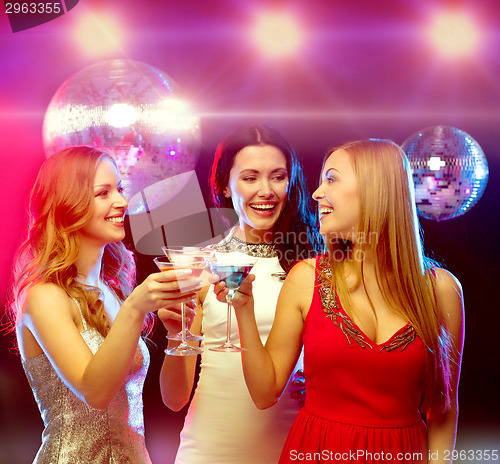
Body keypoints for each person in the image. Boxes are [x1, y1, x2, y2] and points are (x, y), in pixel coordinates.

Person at [215, 139, 465, 463]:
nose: (317, 193)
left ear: (376, 190)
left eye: (331, 179)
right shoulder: (306, 278)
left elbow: (443, 409)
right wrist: (243, 309)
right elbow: (265, 393)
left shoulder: (442, 289)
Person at [7, 146, 201, 464]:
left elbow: (175, 401)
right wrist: (135, 308)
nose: (122, 202)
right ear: (68, 205)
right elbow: (95, 393)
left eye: (120, 189)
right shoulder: (45, 296)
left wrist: (179, 334)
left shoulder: (112, 291)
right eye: (103, 193)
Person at [158, 124, 322, 464]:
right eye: (250, 178)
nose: (266, 190)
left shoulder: (314, 265)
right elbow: (174, 399)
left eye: (277, 177)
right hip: (210, 448)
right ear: (223, 185)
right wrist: (176, 337)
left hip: (294, 445)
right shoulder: (201, 265)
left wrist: (326, 385)